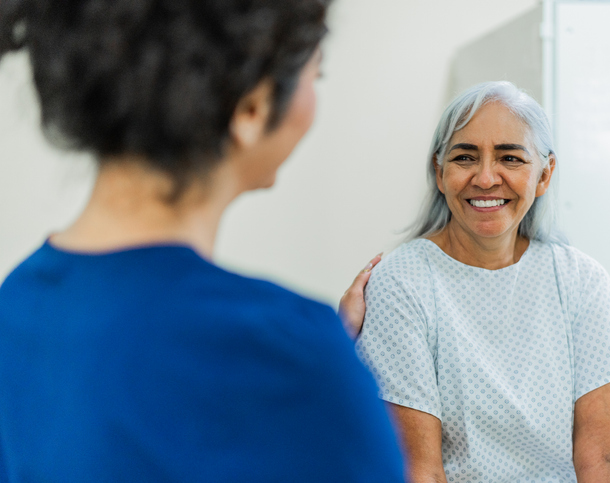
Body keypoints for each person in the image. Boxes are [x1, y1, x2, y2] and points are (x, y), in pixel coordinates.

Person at [0, 1, 404, 481]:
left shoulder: (17, 304)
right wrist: (320, 360)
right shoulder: (293, 358)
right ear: (252, 106)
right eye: (318, 74)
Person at [355, 81, 610, 482]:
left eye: (510, 157)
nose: (487, 178)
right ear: (440, 173)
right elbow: (419, 470)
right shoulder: (402, 283)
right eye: (465, 157)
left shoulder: (582, 281)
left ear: (544, 175)